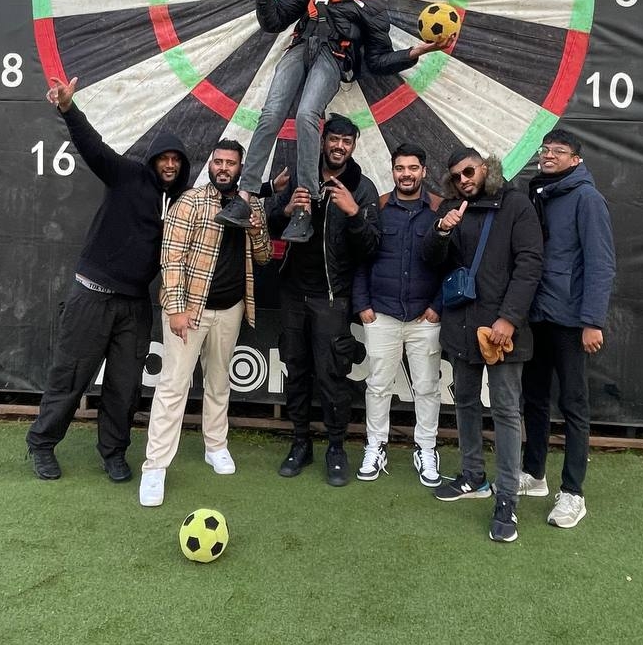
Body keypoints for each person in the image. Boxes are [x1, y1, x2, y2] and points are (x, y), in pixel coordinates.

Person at [216, 0, 449, 243]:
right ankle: (244, 196)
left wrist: (414, 52)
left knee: (307, 115)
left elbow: (377, 61)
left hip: (333, 57)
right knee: (270, 114)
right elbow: (272, 21)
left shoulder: (372, 6)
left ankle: (305, 206)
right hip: (300, 48)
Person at [26, 76, 190, 482]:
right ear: (153, 159)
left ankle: (114, 453)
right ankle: (41, 444)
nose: (170, 165)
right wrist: (68, 108)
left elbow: (221, 202)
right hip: (91, 296)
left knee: (125, 386)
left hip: (135, 306)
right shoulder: (127, 175)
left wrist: (265, 192)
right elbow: (93, 147)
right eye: (164, 158)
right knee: (70, 376)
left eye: (176, 160)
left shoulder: (183, 204)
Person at [138, 140, 272, 507]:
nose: (224, 168)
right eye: (218, 162)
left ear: (241, 168)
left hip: (230, 309)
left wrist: (256, 229)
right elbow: (171, 258)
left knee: (218, 381)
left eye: (231, 163)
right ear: (211, 165)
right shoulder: (191, 201)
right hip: (189, 310)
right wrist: (176, 308)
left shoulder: (251, 204)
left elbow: (263, 258)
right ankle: (155, 466)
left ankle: (216, 446)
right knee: (173, 386)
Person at [423, 148, 543, 543]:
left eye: (469, 171)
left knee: (506, 411)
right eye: (456, 176)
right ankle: (473, 476)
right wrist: (441, 230)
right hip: (462, 326)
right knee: (465, 402)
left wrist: (509, 319)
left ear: (486, 168)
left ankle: (507, 497)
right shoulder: (451, 208)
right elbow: (432, 261)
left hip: (503, 330)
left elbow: (530, 265)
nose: (464, 180)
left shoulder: (517, 205)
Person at [269, 114, 380, 486]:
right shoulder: (303, 175)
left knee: (332, 377)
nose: (339, 146)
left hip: (332, 299)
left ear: (354, 146)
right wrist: (285, 209)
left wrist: (353, 213)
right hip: (292, 294)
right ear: (323, 140)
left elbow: (372, 247)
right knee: (296, 372)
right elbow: (271, 224)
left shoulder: (362, 188)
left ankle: (336, 448)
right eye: (334, 139)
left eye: (346, 141)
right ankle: (300, 443)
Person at [520, 128, 616, 529]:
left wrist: (592, 321)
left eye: (559, 151)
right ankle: (534, 474)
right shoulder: (539, 193)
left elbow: (601, 263)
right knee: (534, 398)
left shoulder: (587, 199)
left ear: (576, 160)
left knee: (574, 406)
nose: (549, 156)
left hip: (571, 322)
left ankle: (573, 493)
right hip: (538, 316)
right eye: (545, 149)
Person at [352, 142, 445, 487]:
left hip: (424, 318)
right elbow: (362, 257)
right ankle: (375, 445)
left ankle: (426, 448)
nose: (406, 174)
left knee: (427, 388)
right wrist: (363, 306)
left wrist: (437, 308)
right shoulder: (377, 208)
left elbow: (452, 264)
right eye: (400, 168)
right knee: (378, 386)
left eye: (413, 168)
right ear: (392, 171)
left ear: (424, 171)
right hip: (383, 315)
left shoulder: (438, 210)